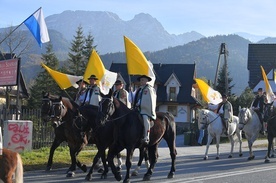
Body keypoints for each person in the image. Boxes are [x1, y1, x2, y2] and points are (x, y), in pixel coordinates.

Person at [133, 75, 157, 145]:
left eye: (143, 80)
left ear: (147, 81)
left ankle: (146, 137)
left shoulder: (149, 89)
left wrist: (140, 104)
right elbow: (136, 98)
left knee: (145, 118)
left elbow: (149, 100)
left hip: (145, 109)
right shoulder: (139, 89)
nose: (141, 81)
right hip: (137, 108)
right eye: (141, 80)